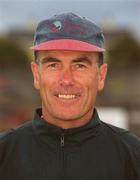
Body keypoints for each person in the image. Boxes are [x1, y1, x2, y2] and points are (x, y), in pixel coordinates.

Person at [0, 12, 140, 180]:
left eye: (80, 65)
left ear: (101, 76)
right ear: (36, 75)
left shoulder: (133, 155)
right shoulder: (4, 153)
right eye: (53, 65)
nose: (66, 80)